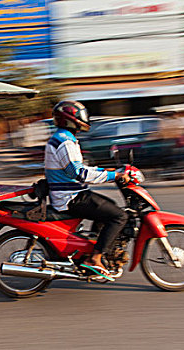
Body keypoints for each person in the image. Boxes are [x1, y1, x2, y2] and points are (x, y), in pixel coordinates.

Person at [45, 101, 130, 280]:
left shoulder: (65, 138)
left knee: (110, 207)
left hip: (72, 194)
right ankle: (95, 258)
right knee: (119, 216)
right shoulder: (64, 142)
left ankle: (92, 249)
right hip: (70, 198)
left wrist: (109, 172)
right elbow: (79, 173)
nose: (84, 120)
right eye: (80, 116)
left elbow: (80, 168)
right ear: (70, 120)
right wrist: (113, 176)